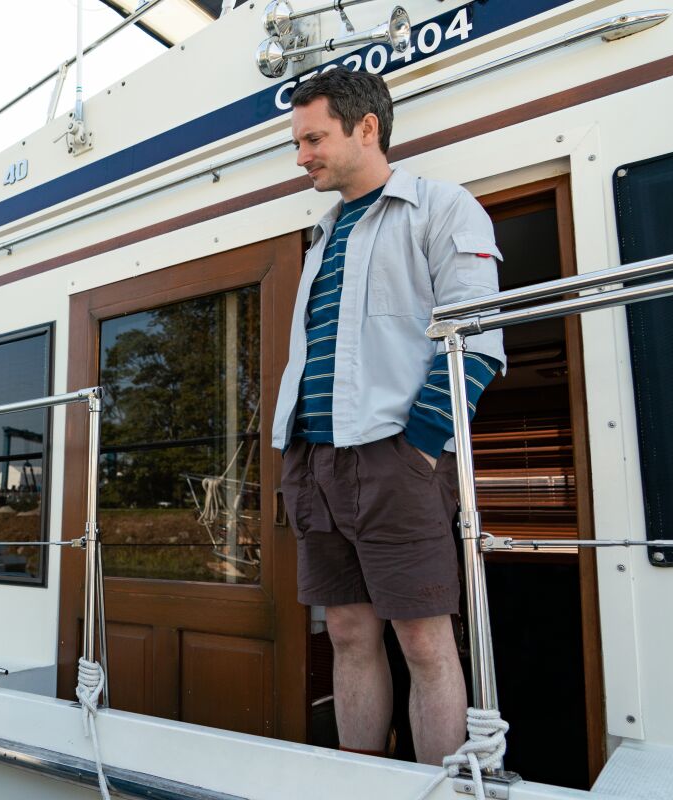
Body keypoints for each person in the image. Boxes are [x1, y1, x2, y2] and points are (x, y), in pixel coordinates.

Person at [272, 69, 506, 766]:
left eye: (313, 138)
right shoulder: (320, 239)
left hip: (395, 460)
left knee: (425, 641)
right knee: (345, 630)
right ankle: (359, 782)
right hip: (315, 463)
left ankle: (439, 787)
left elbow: (478, 342)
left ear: (365, 128)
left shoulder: (441, 208)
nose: (302, 155)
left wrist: (420, 448)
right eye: (299, 141)